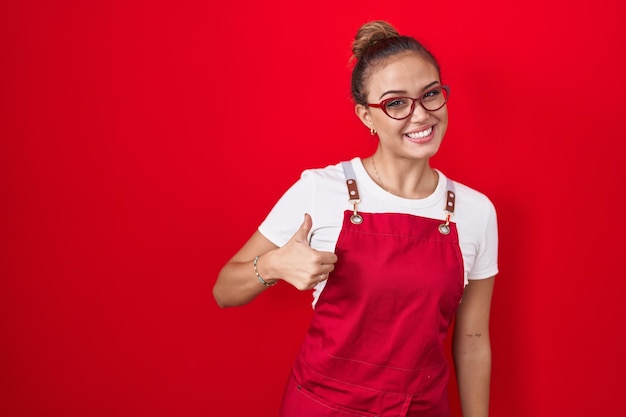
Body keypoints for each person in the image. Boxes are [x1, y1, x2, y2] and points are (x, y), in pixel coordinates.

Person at [213, 20, 498, 417]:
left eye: (431, 94)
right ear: (366, 116)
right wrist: (273, 264)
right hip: (323, 406)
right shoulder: (321, 190)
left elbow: (472, 336)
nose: (420, 115)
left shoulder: (476, 211)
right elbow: (224, 290)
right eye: (396, 102)